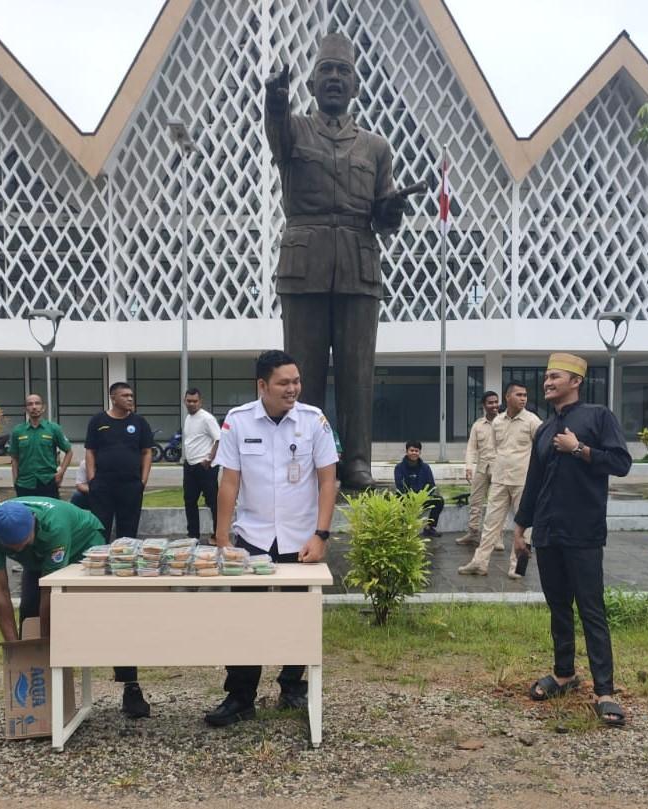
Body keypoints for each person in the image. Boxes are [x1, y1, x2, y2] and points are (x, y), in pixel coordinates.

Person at [265, 32, 411, 491]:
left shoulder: (376, 147)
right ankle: (302, 457)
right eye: (325, 71)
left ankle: (356, 463)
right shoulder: (294, 130)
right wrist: (275, 96)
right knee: (299, 375)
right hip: (304, 262)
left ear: (355, 86)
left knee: (357, 373)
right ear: (310, 83)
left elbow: (385, 219)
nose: (333, 79)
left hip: (358, 263)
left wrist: (391, 210)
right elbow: (276, 132)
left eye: (342, 72)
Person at [205, 350, 338, 727]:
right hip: (253, 537)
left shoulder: (314, 421)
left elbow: (328, 480)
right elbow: (229, 482)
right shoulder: (238, 421)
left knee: (299, 616)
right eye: (284, 382)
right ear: (262, 385)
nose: (292, 388)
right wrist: (221, 537)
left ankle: (292, 686)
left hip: (301, 540)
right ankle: (240, 695)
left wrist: (321, 534)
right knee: (245, 618)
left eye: (296, 381)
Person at [513, 353, 632, 727]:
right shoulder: (545, 430)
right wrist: (520, 528)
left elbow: (621, 463)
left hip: (583, 533)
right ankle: (564, 674)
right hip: (548, 533)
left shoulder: (598, 417)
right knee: (559, 608)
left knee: (591, 610)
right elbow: (533, 482)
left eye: (554, 376)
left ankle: (605, 691)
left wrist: (580, 450)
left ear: (576, 381)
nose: (547, 382)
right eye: (546, 377)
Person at [0, 497, 149, 717]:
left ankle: (131, 687)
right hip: (38, 558)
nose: (17, 549)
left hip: (84, 546)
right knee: (30, 614)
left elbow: (50, 594)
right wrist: (15, 651)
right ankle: (37, 698)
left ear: (32, 524)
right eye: (12, 548)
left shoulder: (54, 525)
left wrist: (49, 648)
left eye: (22, 543)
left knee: (107, 613)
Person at [459, 382, 541, 577]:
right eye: (519, 395)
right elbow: (497, 449)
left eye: (525, 395)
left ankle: (517, 567)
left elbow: (541, 449)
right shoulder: (497, 422)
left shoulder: (533, 421)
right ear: (508, 397)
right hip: (500, 479)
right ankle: (479, 563)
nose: (523, 398)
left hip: (523, 482)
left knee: (525, 526)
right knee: (490, 522)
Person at [85, 382, 154, 540]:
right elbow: (90, 451)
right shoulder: (98, 420)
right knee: (100, 529)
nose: (130, 399)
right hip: (102, 484)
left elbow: (147, 452)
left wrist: (142, 481)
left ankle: (125, 563)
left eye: (131, 396)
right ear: (113, 398)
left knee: (128, 532)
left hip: (131, 485)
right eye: (125, 396)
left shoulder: (140, 422)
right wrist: (92, 479)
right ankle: (100, 561)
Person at [9, 394, 73, 499]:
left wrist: (61, 472)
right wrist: (15, 481)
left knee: (50, 514)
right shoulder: (18, 431)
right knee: (26, 514)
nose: (34, 407)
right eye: (30, 404)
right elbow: (14, 458)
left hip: (48, 482)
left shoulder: (54, 428)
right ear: (26, 408)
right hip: (25, 483)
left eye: (37, 403)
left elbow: (69, 451)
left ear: (43, 407)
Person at [458, 390, 500, 546]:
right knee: (475, 502)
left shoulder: (503, 422)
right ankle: (473, 533)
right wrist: (469, 467)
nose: (494, 405)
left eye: (496, 402)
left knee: (496, 504)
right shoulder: (477, 425)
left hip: (499, 469)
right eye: (490, 402)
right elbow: (471, 448)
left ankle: (498, 538)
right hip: (482, 469)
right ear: (484, 405)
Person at [181, 388, 221, 541]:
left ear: (200, 402)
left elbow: (219, 439)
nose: (191, 404)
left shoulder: (207, 418)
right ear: (184, 401)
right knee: (189, 501)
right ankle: (193, 535)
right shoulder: (188, 418)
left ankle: (217, 535)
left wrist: (209, 459)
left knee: (213, 502)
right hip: (190, 466)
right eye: (189, 401)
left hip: (205, 467)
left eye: (195, 401)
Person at [394, 440, 444, 538]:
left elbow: (431, 485)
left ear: (419, 452)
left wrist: (422, 497)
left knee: (439, 500)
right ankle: (404, 530)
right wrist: (411, 498)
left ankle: (429, 528)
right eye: (411, 450)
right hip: (406, 499)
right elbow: (400, 486)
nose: (414, 453)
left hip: (422, 499)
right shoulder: (399, 467)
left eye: (416, 451)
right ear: (407, 451)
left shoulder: (425, 467)